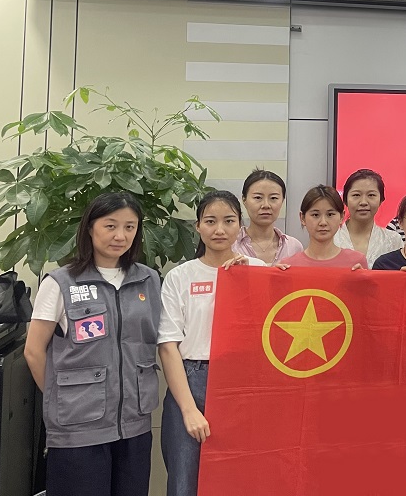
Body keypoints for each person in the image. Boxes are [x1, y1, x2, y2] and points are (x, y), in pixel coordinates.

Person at [24, 192, 162, 496]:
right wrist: (64, 397)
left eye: (129, 227)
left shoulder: (148, 280)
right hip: (78, 428)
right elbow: (33, 351)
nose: (120, 236)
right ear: (90, 227)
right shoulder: (61, 282)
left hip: (135, 422)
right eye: (110, 226)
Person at [158, 191, 268, 496]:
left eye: (228, 221)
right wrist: (188, 409)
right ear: (198, 226)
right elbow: (167, 346)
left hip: (243, 383)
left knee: (240, 478)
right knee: (184, 480)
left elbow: (272, 332)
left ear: (240, 226)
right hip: (191, 381)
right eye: (210, 221)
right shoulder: (179, 277)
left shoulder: (259, 271)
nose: (219, 229)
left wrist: (252, 281)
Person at [284, 185, 368, 269]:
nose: (323, 222)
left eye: (330, 214)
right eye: (315, 215)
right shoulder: (289, 266)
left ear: (341, 217)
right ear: (302, 218)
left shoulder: (356, 262)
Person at [333, 169, 403, 267]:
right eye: (356, 195)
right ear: (345, 200)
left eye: (371, 195)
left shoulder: (393, 240)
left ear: (381, 200)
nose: (363, 202)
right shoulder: (332, 238)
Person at [232, 169, 303, 264]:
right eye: (258, 197)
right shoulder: (231, 245)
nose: (266, 205)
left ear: (282, 201)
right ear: (244, 200)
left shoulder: (294, 247)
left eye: (273, 198)